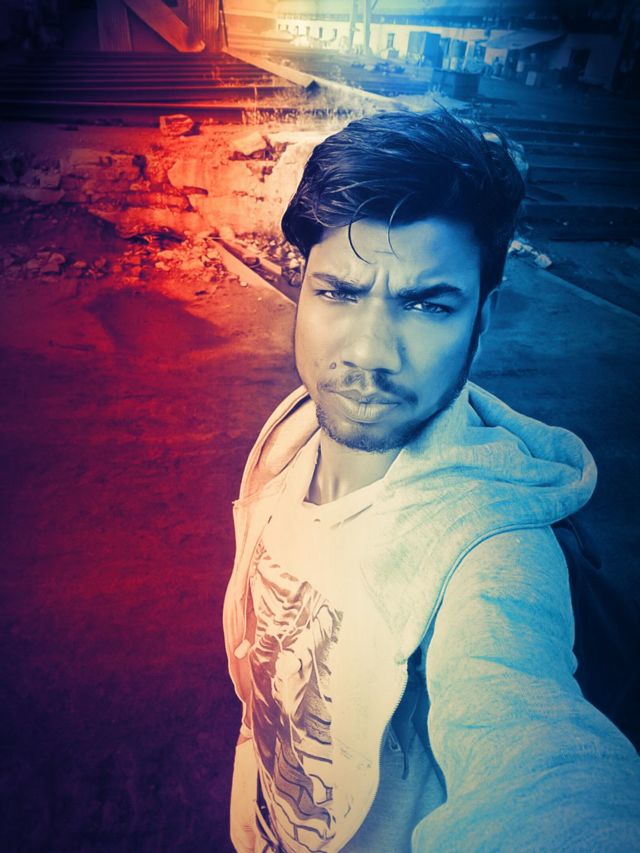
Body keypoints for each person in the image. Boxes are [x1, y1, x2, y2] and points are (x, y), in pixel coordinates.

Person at [223, 109, 640, 852]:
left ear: (483, 317)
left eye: (427, 305)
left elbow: (536, 762)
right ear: (302, 284)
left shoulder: (493, 557)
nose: (369, 353)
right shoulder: (289, 439)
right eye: (339, 293)